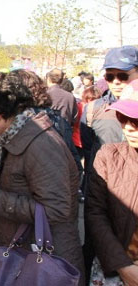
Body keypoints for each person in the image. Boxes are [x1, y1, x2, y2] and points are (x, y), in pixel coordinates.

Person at [0, 72, 85, 285]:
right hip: (24, 251)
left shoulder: (41, 143)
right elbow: (20, 187)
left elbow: (56, 208)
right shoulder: (16, 134)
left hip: (43, 262)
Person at [81, 46, 138, 282]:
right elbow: (96, 213)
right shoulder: (95, 109)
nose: (128, 127)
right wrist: (121, 264)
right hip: (112, 258)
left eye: (123, 75)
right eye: (109, 76)